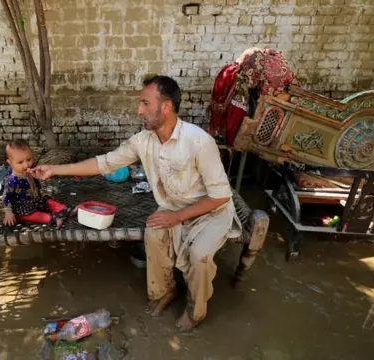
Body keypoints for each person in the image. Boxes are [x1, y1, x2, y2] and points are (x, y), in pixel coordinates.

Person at [29, 75, 241, 332]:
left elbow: (220, 195)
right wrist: (55, 169)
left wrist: (178, 216)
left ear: (166, 107)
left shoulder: (198, 141)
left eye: (145, 103)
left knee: (199, 255)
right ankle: (165, 291)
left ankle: (196, 310)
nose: (139, 110)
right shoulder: (143, 141)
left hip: (210, 211)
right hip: (174, 208)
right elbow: (104, 163)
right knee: (153, 233)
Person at [2, 139, 75, 229]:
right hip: (24, 209)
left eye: (28, 159)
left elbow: (36, 186)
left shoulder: (30, 172)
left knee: (49, 201)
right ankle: (54, 218)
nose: (26, 165)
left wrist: (37, 178)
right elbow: (6, 198)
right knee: (38, 216)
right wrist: (9, 213)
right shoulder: (11, 180)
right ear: (10, 163)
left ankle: (65, 210)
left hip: (36, 201)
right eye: (20, 162)